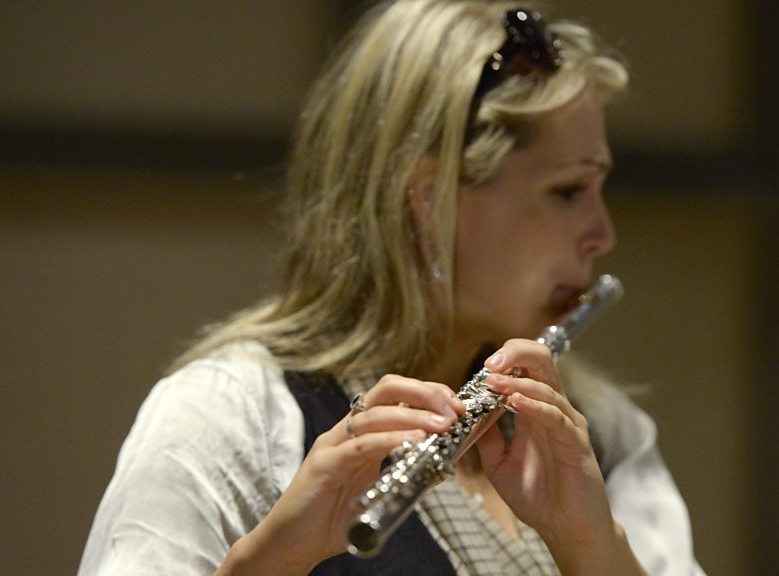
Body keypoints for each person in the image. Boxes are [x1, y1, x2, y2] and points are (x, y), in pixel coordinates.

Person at [78, 1, 706, 574]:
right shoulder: (233, 416)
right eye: (567, 191)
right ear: (431, 202)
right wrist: (273, 561)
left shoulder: (603, 437)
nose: (603, 235)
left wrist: (593, 549)